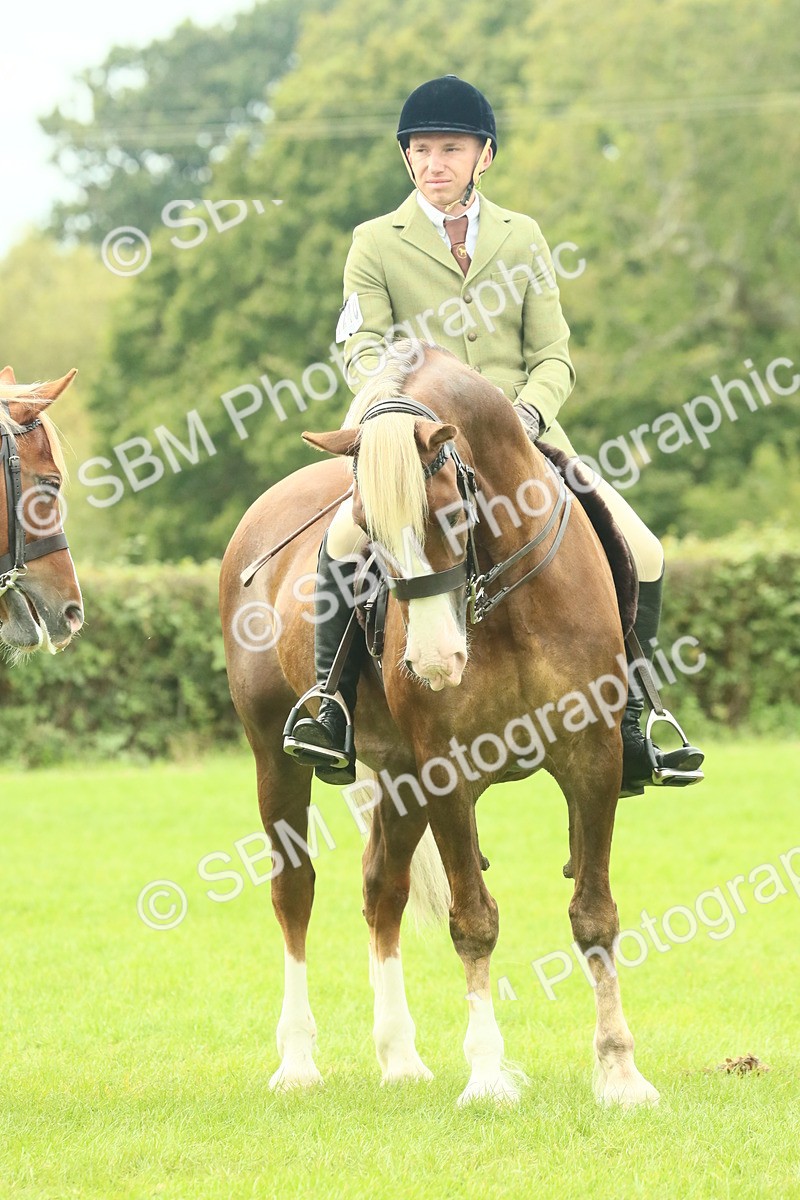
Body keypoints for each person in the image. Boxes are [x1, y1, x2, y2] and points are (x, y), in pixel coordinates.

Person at [284, 74, 704, 796]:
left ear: (484, 156)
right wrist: (395, 406)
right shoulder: (374, 243)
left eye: (450, 148)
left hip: (525, 441)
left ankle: (635, 715)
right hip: (417, 446)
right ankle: (330, 706)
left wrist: (527, 419)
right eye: (420, 150)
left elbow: (554, 355)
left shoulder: (523, 237)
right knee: (343, 542)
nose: (433, 162)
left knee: (644, 549)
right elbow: (360, 345)